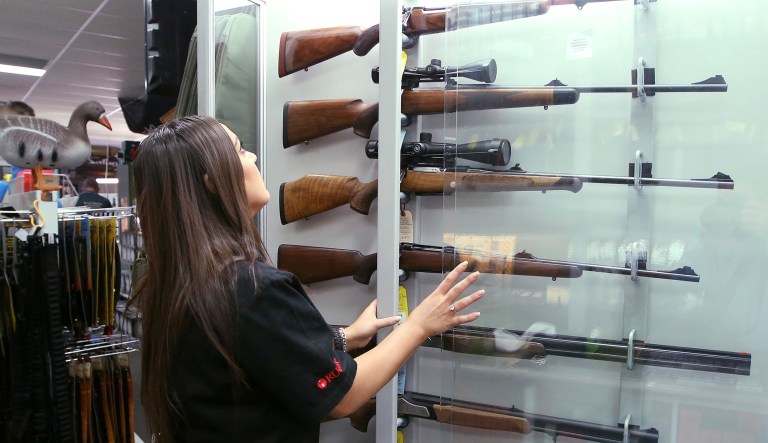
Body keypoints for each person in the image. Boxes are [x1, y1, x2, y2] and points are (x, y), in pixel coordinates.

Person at [130, 115, 484, 442]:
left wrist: (342, 338)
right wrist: (420, 324)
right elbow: (343, 397)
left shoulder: (181, 283)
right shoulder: (252, 288)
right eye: (239, 150)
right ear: (211, 181)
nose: (252, 157)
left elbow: (248, 354)